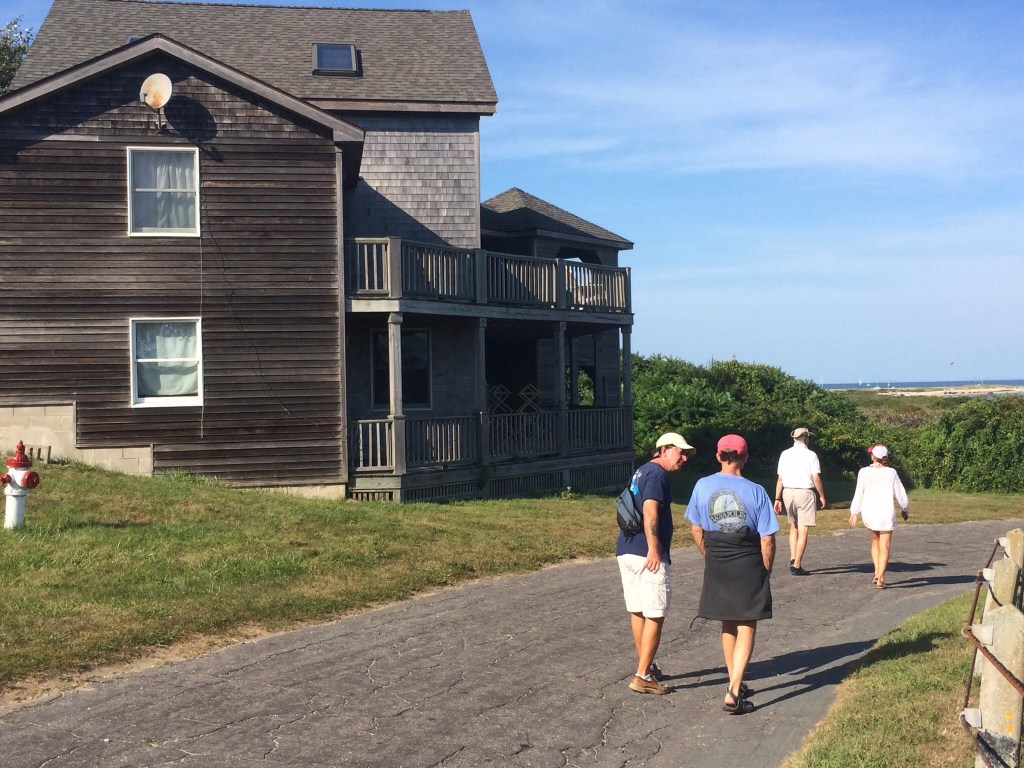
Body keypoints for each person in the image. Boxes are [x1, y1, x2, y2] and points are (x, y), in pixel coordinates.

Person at [686, 434, 778, 714]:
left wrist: (710, 554)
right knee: (747, 622)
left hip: (717, 556)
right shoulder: (756, 491)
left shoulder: (702, 485)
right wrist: (766, 569)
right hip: (747, 556)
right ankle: (734, 691)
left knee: (727, 621)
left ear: (718, 456)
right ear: (745, 457)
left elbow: (696, 528)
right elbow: (767, 539)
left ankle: (732, 679)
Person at [616, 431, 695, 695]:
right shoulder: (657, 474)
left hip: (626, 549)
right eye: (679, 452)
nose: (684, 458)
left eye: (686, 454)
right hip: (646, 553)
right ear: (663, 449)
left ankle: (646, 666)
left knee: (638, 611)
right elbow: (650, 511)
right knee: (656, 613)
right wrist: (653, 549)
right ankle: (642, 675)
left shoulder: (641, 471)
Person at [848, 444, 909, 589]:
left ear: (874, 457)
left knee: (875, 542)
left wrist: (854, 512)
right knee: (885, 546)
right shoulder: (891, 472)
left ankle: (876, 572)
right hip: (886, 512)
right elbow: (899, 492)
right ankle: (881, 577)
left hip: (869, 512)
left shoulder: (863, 472)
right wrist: (905, 508)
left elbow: (859, 492)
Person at [773, 427, 826, 575]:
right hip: (805, 492)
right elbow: (816, 477)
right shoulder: (811, 455)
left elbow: (780, 478)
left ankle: (792, 557)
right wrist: (821, 495)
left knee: (793, 526)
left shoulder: (785, 454)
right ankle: (797, 565)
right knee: (803, 529)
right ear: (806, 438)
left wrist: (777, 498)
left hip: (788, 491)